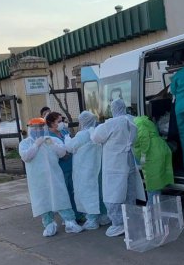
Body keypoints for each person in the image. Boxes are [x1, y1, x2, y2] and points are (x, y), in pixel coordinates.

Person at [19, 118, 83, 236]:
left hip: (54, 177)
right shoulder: (25, 143)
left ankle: (70, 222)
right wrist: (35, 145)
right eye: (35, 128)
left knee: (61, 198)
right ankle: (49, 225)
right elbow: (26, 157)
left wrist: (51, 143)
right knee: (44, 202)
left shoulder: (50, 140)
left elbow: (62, 153)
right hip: (38, 180)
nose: (38, 131)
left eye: (40, 128)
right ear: (29, 129)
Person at [91, 98, 142, 237]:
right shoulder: (132, 121)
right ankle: (131, 220)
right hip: (129, 161)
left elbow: (95, 138)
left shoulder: (111, 124)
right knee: (129, 193)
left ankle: (119, 224)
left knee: (113, 194)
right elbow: (135, 139)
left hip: (114, 164)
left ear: (113, 109)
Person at [64, 111, 110, 230]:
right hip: (98, 169)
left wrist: (66, 139)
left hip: (85, 170)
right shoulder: (96, 132)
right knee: (99, 193)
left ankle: (92, 220)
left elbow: (69, 147)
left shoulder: (82, 135)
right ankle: (103, 216)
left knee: (88, 195)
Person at [45, 112, 82, 221]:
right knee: (64, 194)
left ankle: (78, 214)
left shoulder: (64, 131)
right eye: (59, 121)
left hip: (71, 165)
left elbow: (71, 144)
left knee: (74, 191)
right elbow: (51, 150)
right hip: (59, 168)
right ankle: (69, 218)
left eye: (62, 121)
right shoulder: (47, 137)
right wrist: (63, 154)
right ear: (51, 123)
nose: (62, 123)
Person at [133, 115, 174, 205]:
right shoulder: (144, 121)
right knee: (157, 182)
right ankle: (155, 207)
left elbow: (144, 139)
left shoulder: (138, 124)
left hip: (152, 153)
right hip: (159, 148)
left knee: (153, 184)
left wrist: (143, 155)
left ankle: (152, 210)